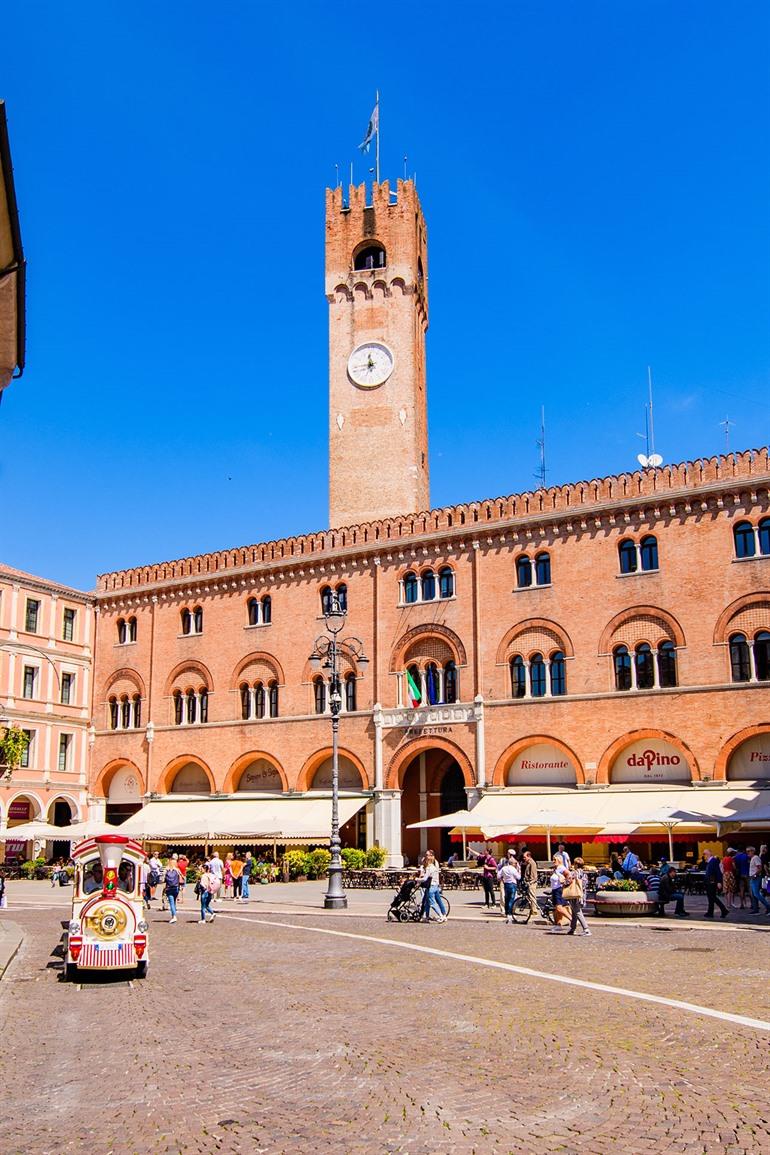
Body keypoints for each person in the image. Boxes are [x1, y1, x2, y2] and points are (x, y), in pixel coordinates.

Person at [417, 850, 446, 922]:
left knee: (432, 903)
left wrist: (417, 879)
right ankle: (427, 917)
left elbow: (425, 878)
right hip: (434, 885)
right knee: (428, 902)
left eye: (427, 855)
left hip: (431, 886)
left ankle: (441, 916)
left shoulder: (430, 867)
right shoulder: (433, 866)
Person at [565, 857, 591, 936]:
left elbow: (567, 882)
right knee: (574, 911)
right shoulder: (584, 873)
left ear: (576, 864)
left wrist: (563, 882)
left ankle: (586, 929)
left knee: (577, 911)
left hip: (574, 894)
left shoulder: (573, 873)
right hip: (581, 894)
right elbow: (585, 884)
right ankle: (572, 929)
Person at [547, 853, 570, 932]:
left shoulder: (561, 868)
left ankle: (572, 920)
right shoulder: (556, 869)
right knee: (557, 909)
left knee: (559, 908)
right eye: (553, 860)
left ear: (559, 860)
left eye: (555, 860)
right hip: (555, 890)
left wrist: (565, 883)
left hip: (558, 890)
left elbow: (568, 874)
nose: (553, 861)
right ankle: (559, 925)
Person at [703, 849, 729, 919]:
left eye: (704, 854)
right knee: (710, 897)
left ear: (708, 854)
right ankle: (710, 912)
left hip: (712, 881)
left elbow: (717, 871)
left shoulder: (713, 861)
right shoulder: (710, 861)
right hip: (709, 881)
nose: (704, 856)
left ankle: (724, 910)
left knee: (712, 897)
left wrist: (719, 882)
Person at [497, 850, 521, 924]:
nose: (511, 856)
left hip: (508, 882)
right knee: (504, 896)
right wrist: (501, 879)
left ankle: (511, 911)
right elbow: (498, 868)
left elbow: (518, 869)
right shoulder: (503, 860)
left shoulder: (515, 862)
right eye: (511, 855)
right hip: (506, 881)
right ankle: (504, 911)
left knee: (510, 897)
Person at [748, 846, 770, 915]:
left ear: (753, 851)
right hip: (753, 878)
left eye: (749, 851)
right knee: (754, 895)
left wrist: (754, 875)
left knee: (756, 894)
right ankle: (756, 910)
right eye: (747, 851)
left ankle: (768, 907)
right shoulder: (753, 858)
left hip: (755, 878)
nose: (748, 853)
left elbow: (760, 868)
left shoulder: (756, 858)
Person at [521, 850, 541, 918]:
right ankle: (532, 911)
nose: (524, 858)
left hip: (531, 883)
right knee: (530, 897)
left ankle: (534, 911)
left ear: (529, 856)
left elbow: (534, 875)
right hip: (529, 882)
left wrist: (530, 882)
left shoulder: (532, 863)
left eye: (525, 857)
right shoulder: (529, 863)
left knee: (532, 897)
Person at [163, 853, 181, 923]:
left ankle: (174, 916)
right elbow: (181, 878)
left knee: (171, 903)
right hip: (176, 888)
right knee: (174, 901)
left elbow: (162, 879)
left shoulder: (166, 869)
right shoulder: (177, 870)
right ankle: (174, 914)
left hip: (169, 888)